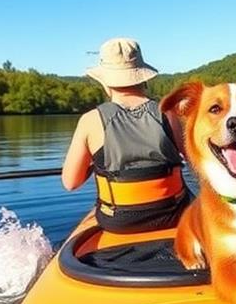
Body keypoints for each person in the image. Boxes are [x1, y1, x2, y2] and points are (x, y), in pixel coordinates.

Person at [62, 38, 189, 233]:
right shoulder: (169, 114)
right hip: (173, 215)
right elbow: (197, 162)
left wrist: (94, 163)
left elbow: (70, 183)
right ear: (143, 77)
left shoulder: (90, 120)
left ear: (105, 81)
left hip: (118, 222)